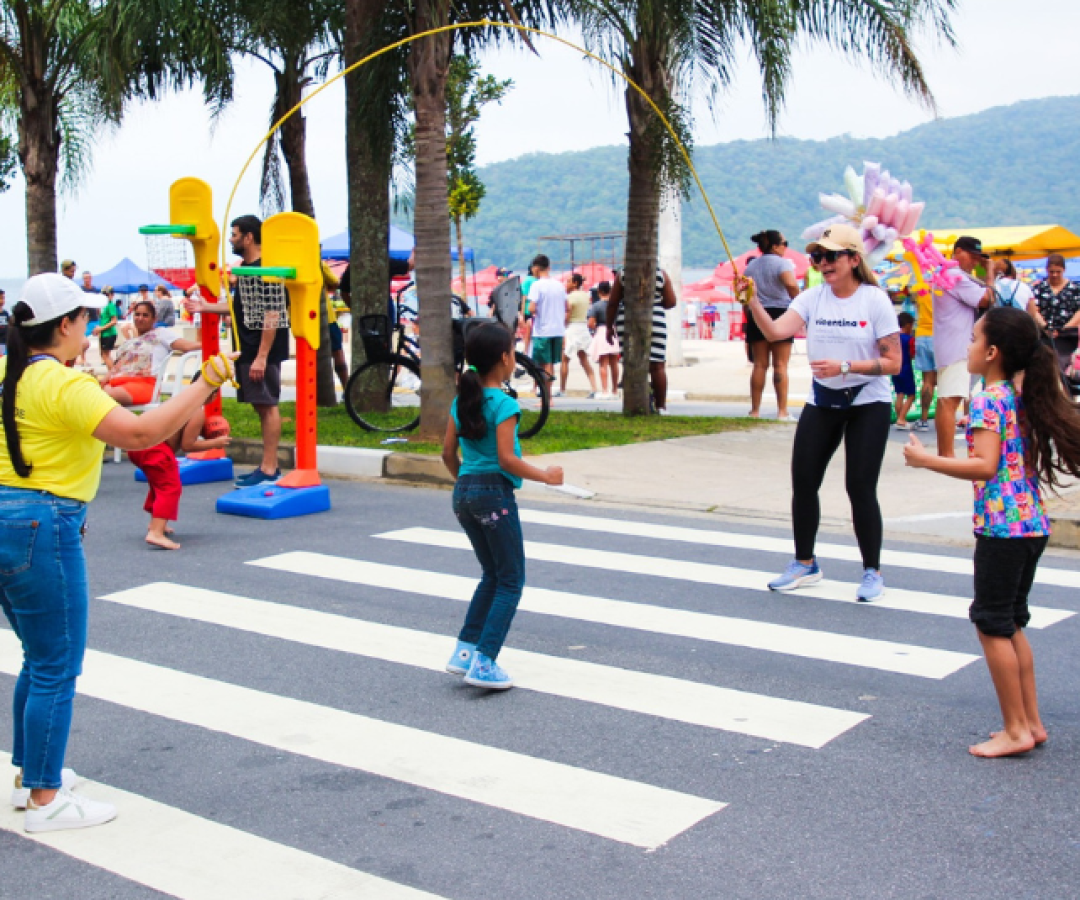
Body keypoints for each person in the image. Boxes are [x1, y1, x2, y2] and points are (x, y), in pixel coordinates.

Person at [0, 273, 237, 832]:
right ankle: (45, 800)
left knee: (39, 657)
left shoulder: (12, 374)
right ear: (63, 325)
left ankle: (30, 775)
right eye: (84, 320)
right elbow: (141, 434)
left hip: (7, 516)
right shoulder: (61, 384)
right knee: (57, 663)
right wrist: (205, 381)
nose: (90, 330)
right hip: (45, 523)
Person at [903, 307, 1080, 757]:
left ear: (993, 351)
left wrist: (928, 461)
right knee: (1012, 622)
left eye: (974, 338)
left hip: (1003, 528)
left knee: (992, 624)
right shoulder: (1019, 393)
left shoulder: (987, 398)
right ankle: (1032, 724)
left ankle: (1016, 730)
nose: (967, 346)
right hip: (1030, 524)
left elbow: (984, 465)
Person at [743, 223, 902, 602]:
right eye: (817, 257)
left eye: (831, 256)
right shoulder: (812, 298)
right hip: (823, 400)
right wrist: (751, 300)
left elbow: (893, 362)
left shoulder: (874, 300)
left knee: (860, 487)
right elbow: (777, 332)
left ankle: (872, 571)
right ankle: (804, 563)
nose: (823, 263)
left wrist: (847, 367)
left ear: (852, 259)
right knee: (804, 482)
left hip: (868, 402)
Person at [440, 323, 563, 690]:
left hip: (463, 494)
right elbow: (508, 460)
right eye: (512, 350)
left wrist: (468, 481)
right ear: (505, 359)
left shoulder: (460, 401)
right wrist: (546, 476)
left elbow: (448, 454)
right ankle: (485, 661)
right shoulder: (505, 405)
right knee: (510, 580)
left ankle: (464, 651)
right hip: (494, 495)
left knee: (491, 575)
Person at [184, 215, 289, 487]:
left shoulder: (266, 268)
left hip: (260, 351)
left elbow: (272, 313)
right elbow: (240, 308)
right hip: (248, 349)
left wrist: (262, 357)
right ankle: (267, 467)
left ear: (249, 237)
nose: (231, 240)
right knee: (261, 406)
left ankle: (269, 468)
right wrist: (206, 308)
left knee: (267, 406)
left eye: (234, 235)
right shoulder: (246, 268)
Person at [128, 381, 231, 550]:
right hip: (156, 448)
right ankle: (156, 532)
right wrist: (215, 442)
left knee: (159, 482)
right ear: (213, 395)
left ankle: (156, 522)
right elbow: (188, 446)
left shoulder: (179, 401)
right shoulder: (197, 410)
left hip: (138, 445)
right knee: (170, 487)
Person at [933, 236, 993, 457]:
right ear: (958, 252)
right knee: (950, 400)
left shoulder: (943, 274)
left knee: (946, 400)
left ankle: (944, 452)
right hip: (958, 345)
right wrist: (990, 274)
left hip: (947, 343)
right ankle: (946, 454)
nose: (975, 263)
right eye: (973, 257)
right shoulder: (955, 276)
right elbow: (987, 299)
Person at [744, 230, 800, 421]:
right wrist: (800, 302)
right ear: (775, 246)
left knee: (760, 364)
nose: (786, 247)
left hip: (756, 313)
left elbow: (745, 294)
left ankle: (755, 410)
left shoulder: (751, 266)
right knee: (780, 364)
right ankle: (782, 411)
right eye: (785, 243)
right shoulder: (782, 263)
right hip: (780, 312)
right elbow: (791, 284)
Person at [606, 265, 677, 413]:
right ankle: (661, 407)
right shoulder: (661, 274)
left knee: (631, 364)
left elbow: (613, 302)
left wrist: (608, 326)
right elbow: (671, 302)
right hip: (655, 320)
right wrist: (655, 304)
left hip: (627, 320)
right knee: (657, 366)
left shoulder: (623, 273)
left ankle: (634, 404)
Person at [101, 300, 200, 406]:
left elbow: (188, 346)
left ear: (154, 319)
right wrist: (104, 381)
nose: (140, 318)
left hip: (144, 384)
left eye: (145, 315)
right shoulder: (129, 343)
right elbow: (116, 367)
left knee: (105, 395)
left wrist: (211, 343)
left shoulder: (161, 333)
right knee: (92, 391)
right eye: (137, 314)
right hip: (116, 382)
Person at [1031, 253, 1080, 374]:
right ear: (1046, 270)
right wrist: (1045, 327)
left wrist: (1064, 329)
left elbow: (1079, 311)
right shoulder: (1039, 288)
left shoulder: (1074, 288)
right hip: (1044, 336)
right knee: (1043, 369)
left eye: (1058, 271)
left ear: (1064, 270)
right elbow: (1033, 309)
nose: (1054, 275)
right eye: (1051, 271)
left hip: (1067, 338)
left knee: (1063, 370)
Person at [527, 255, 568, 397]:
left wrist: (533, 312)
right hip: (558, 330)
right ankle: (548, 395)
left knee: (545, 364)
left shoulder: (536, 285)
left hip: (542, 330)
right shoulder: (559, 285)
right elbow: (566, 306)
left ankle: (547, 397)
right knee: (550, 364)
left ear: (536, 268)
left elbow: (532, 308)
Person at [561, 272, 600, 396]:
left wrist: (562, 325)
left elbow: (567, 315)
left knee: (565, 360)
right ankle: (594, 387)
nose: (566, 284)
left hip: (572, 328)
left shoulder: (570, 297)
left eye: (568, 281)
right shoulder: (585, 296)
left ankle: (562, 389)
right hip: (583, 329)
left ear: (575, 283)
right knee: (584, 360)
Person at [587, 280, 619, 398]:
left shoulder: (596, 306)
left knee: (603, 364)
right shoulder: (616, 304)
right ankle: (615, 390)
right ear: (610, 290)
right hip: (614, 331)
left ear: (599, 291)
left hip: (601, 331)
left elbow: (590, 323)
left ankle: (605, 390)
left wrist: (594, 327)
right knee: (614, 363)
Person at [892, 312, 917, 430]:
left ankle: (899, 418)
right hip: (906, 368)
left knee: (899, 394)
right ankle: (902, 418)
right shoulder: (910, 339)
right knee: (911, 395)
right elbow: (912, 354)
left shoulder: (893, 337)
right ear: (907, 325)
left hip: (895, 368)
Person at [91, 286, 120, 370]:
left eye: (107, 294)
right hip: (104, 333)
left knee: (105, 355)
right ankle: (112, 372)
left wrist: (101, 328)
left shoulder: (110, 305)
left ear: (111, 295)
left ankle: (112, 374)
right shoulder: (104, 306)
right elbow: (104, 318)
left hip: (109, 333)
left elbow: (114, 321)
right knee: (105, 355)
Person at [0, 289, 8, 357]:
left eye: (3, 298)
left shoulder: (5, 313)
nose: (2, 301)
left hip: (5, 342)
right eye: (0, 298)